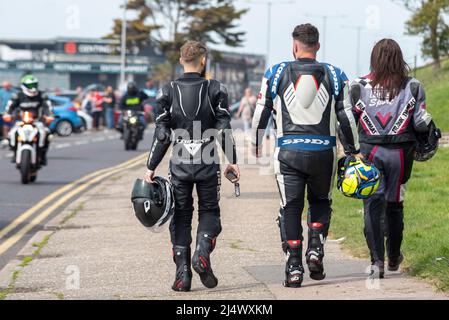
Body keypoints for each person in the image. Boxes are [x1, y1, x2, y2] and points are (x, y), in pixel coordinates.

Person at [252, 24, 361, 287]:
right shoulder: (336, 75)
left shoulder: (276, 72)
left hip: (288, 152)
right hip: (324, 152)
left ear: (294, 45)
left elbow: (262, 110)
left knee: (290, 208)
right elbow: (346, 116)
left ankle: (293, 268)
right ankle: (315, 251)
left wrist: (256, 141)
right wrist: (354, 151)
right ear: (318, 46)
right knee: (321, 202)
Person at [144, 41, 240, 292]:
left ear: (181, 60)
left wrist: (150, 166)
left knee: (181, 216)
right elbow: (223, 128)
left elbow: (162, 133)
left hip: (180, 163)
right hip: (208, 161)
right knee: (209, 212)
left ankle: (182, 275)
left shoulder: (168, 90)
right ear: (202, 61)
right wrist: (233, 161)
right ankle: (202, 252)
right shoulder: (216, 88)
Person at [348, 39, 434, 278]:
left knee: (372, 205)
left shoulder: (357, 86)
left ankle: (377, 262)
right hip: (400, 153)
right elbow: (419, 122)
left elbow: (348, 123)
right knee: (395, 205)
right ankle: (394, 256)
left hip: (369, 152)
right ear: (399, 58)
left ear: (374, 58)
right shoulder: (414, 85)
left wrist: (349, 151)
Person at [4, 75, 52, 165]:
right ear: (24, 86)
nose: (33, 88)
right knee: (12, 134)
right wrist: (8, 115)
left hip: (37, 122)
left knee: (46, 133)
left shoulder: (42, 95)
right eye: (30, 86)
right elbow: (10, 107)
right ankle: (15, 153)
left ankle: (42, 155)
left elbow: (47, 107)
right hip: (20, 121)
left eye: (35, 85)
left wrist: (49, 116)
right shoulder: (18, 96)